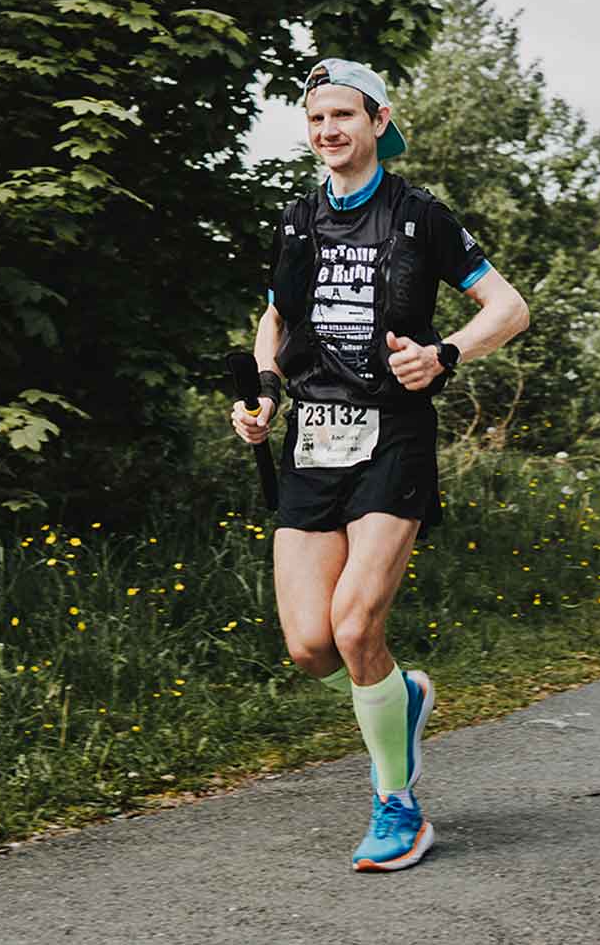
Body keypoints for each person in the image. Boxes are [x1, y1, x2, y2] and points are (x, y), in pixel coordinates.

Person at [230, 58, 529, 872]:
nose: (329, 131)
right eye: (316, 118)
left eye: (343, 116)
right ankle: (398, 698)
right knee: (309, 646)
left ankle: (397, 804)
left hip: (392, 437)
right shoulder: (297, 220)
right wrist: (261, 395)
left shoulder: (417, 214)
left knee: (358, 626)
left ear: (377, 120)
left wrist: (446, 354)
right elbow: (276, 323)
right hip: (312, 440)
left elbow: (509, 306)